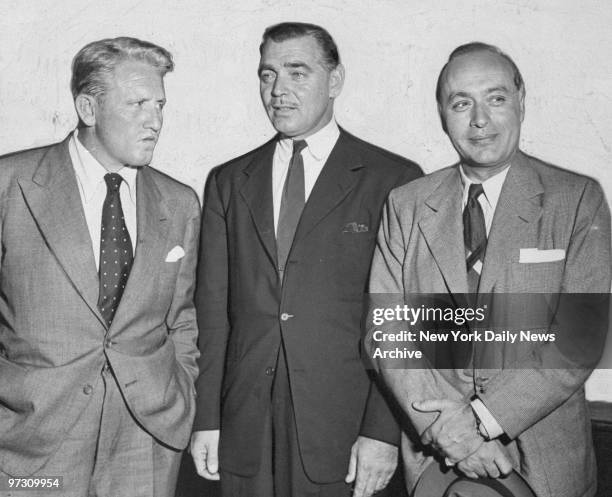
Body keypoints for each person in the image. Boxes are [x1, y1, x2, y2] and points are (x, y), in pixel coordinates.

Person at [366, 42, 610, 497]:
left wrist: (477, 423)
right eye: (461, 103)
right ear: (442, 114)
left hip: (546, 465)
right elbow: (387, 332)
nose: (479, 119)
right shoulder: (407, 205)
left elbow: (579, 342)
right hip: (436, 462)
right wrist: (448, 432)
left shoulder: (576, 200)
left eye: (495, 98)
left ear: (521, 100)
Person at [190, 22, 422, 497]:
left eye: (297, 72)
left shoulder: (392, 178)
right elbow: (212, 316)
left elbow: (405, 323)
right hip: (243, 428)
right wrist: (207, 419)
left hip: (342, 429)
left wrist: (381, 432)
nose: (278, 90)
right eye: (267, 74)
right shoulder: (228, 181)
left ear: (335, 81)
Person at [0, 37, 200, 497]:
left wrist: (180, 392)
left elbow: (182, 319)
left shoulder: (179, 202)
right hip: (30, 444)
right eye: (137, 104)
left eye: (160, 105)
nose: (155, 122)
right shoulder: (12, 186)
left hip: (145, 440)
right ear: (88, 108)